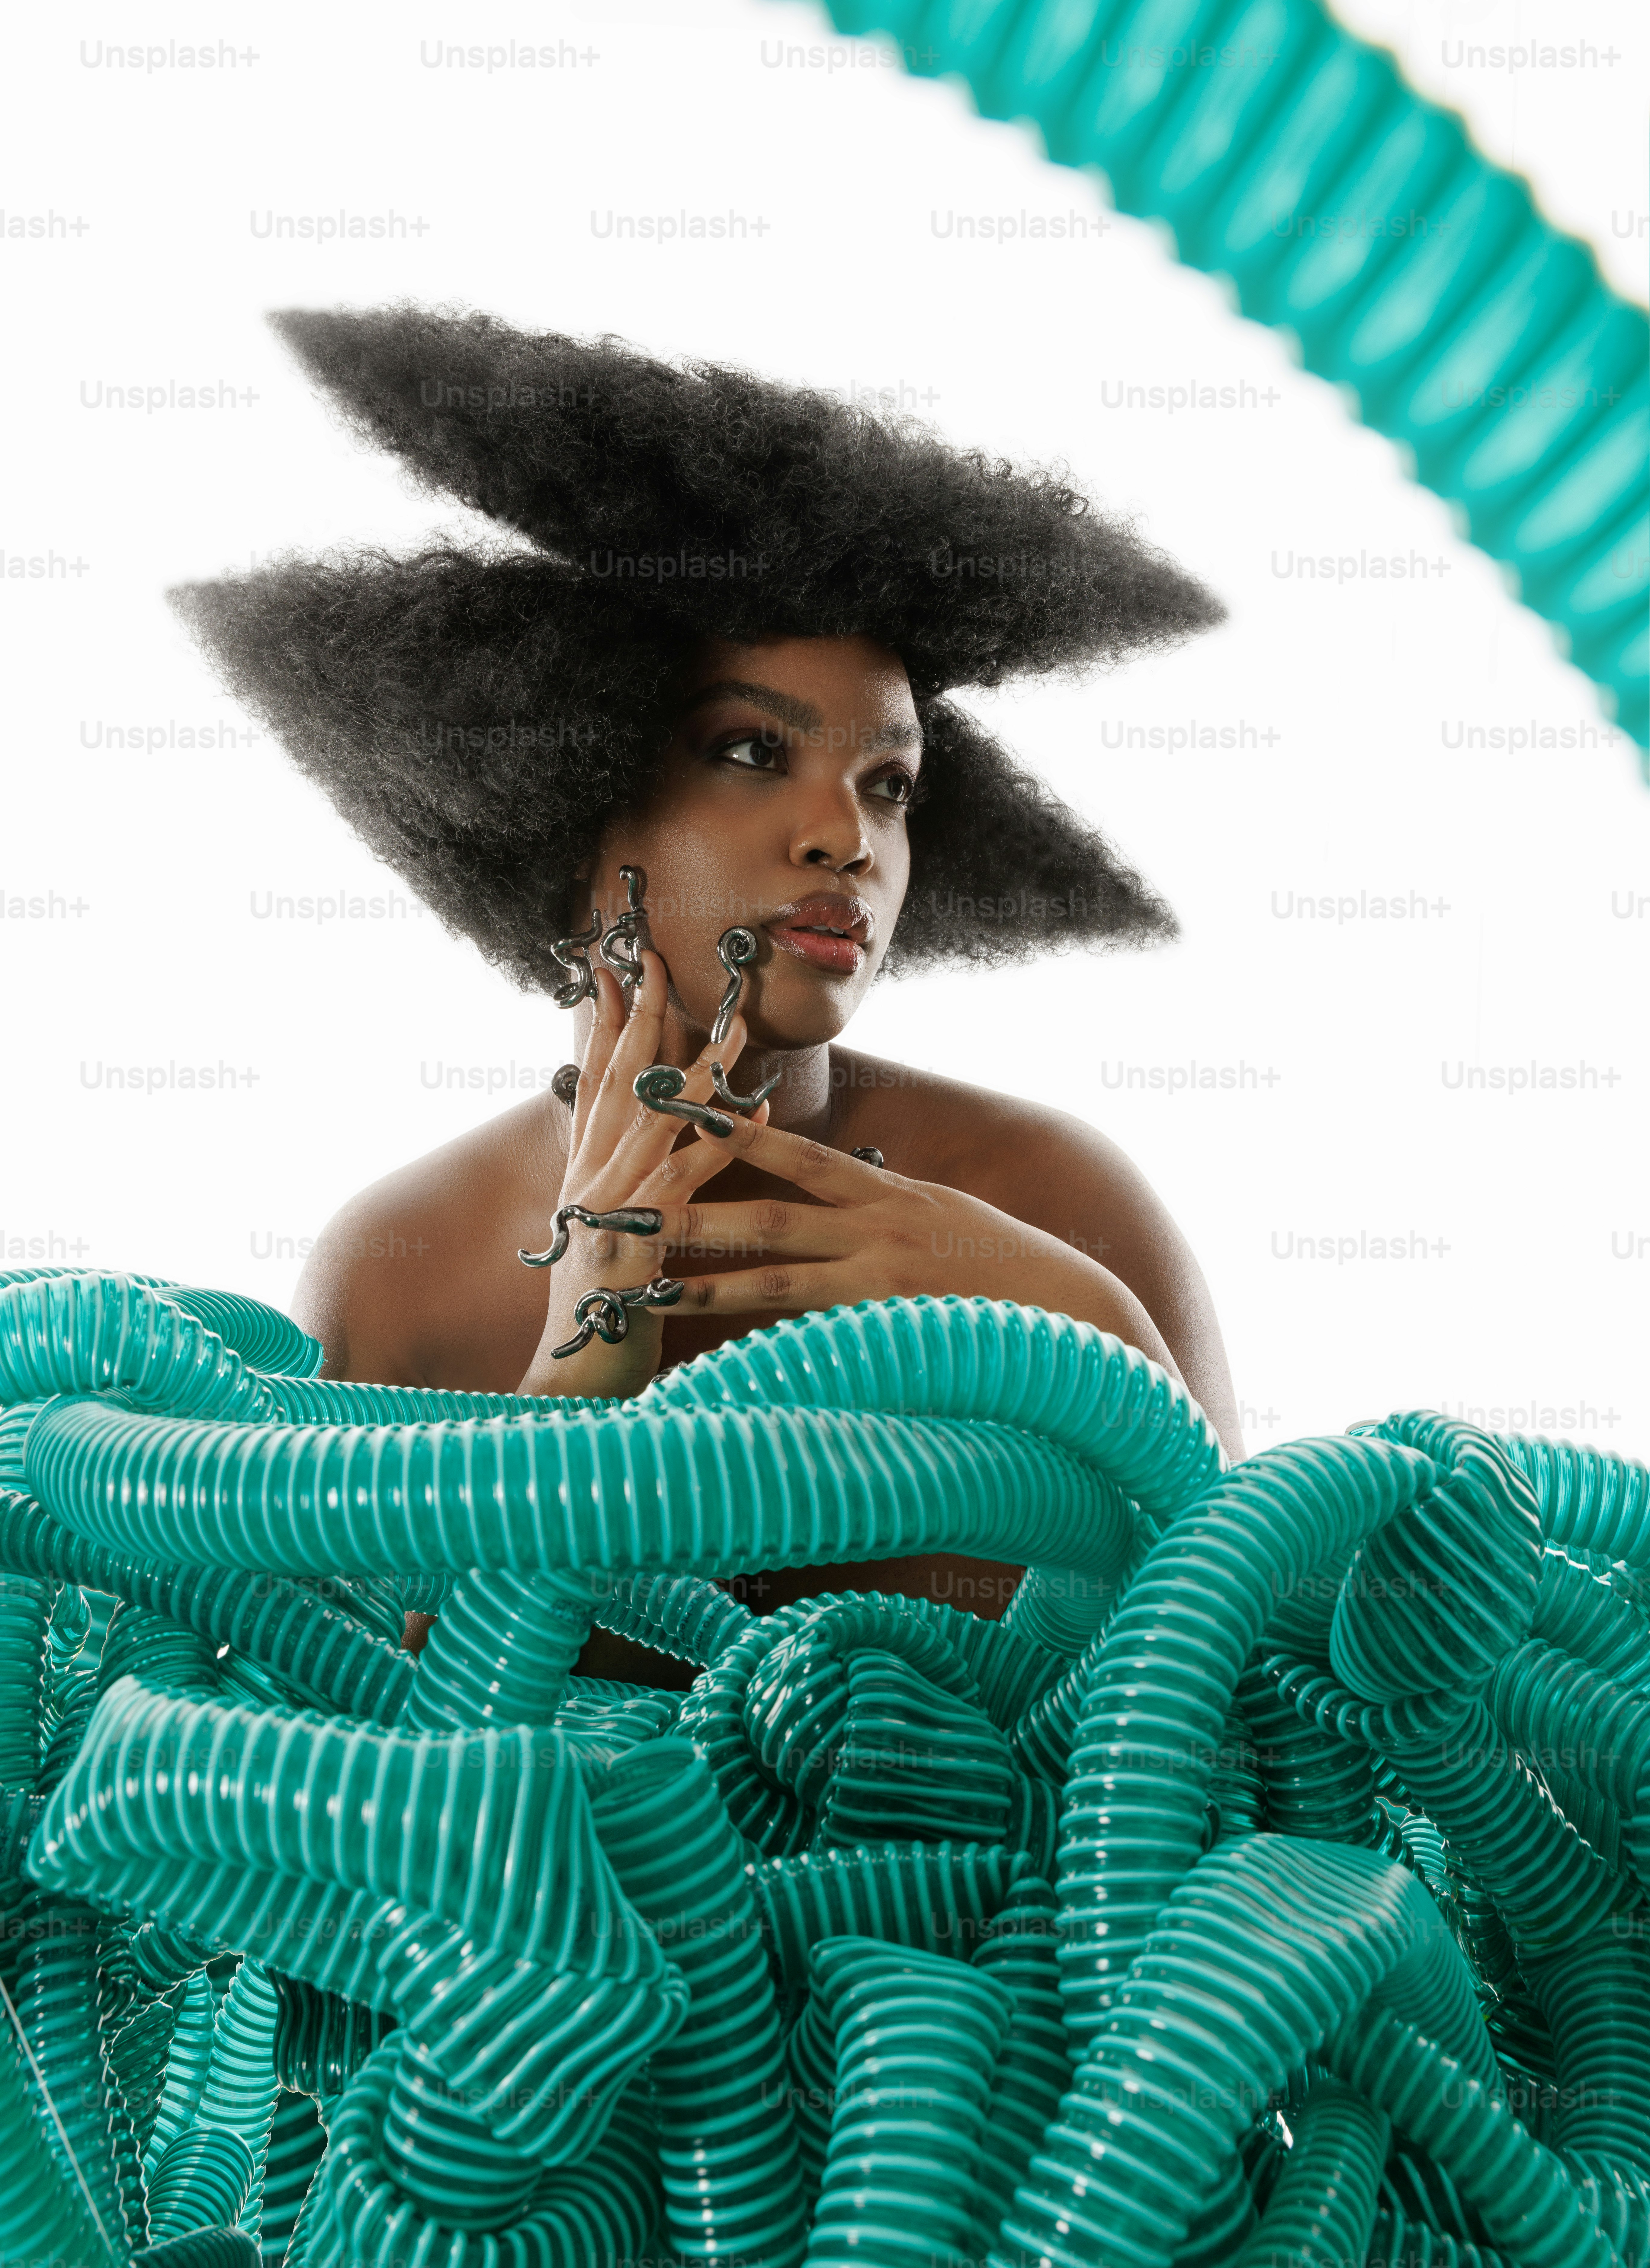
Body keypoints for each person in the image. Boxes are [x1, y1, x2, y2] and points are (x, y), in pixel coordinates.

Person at [171, 305, 1242, 1683]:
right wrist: (584, 1354)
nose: (847, 841)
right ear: (566, 804)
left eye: (889, 786)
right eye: (751, 751)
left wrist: (1070, 1317)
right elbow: (388, 1783)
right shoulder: (403, 1274)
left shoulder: (1055, 1199)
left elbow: (1243, 1694)